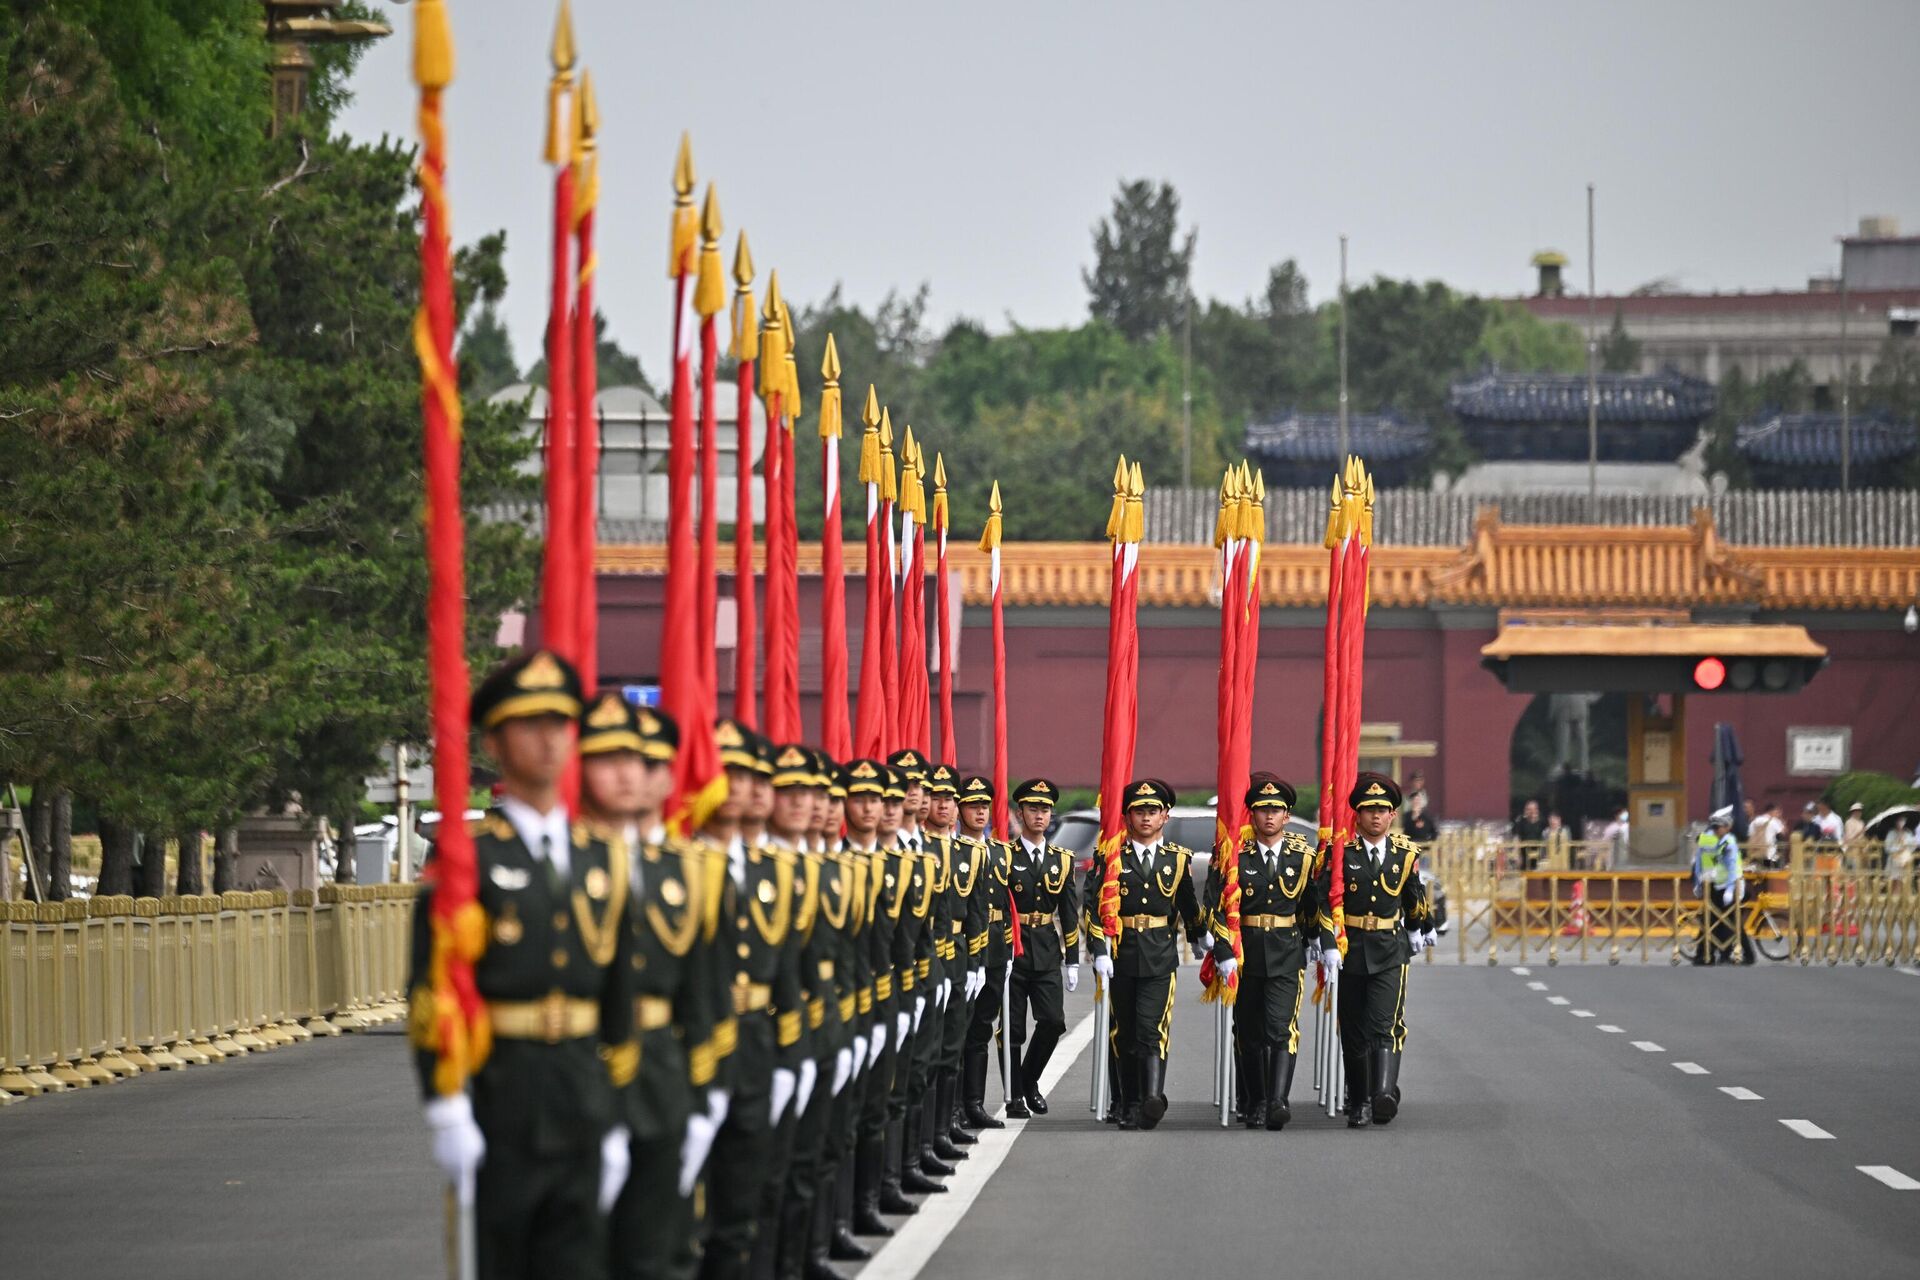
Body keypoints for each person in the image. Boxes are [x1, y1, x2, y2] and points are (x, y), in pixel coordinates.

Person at [407, 650, 636, 1280]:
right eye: (529, 723)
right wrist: (445, 1103)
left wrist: (618, 1112)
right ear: (494, 741)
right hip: (501, 1105)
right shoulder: (466, 867)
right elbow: (431, 992)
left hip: (583, 1105)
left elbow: (620, 1004)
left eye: (560, 723)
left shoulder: (603, 860)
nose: (548, 738)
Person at [576, 695, 727, 1280]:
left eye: (644, 761)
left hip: (662, 1067)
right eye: (611, 758)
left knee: (657, 1247)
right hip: (576, 1067)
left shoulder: (685, 870)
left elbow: (701, 988)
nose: (630, 775)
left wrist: (704, 1087)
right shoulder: (563, 863)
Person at [699, 721, 810, 1280]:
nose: (745, 789)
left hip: (759, 1043)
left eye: (755, 778)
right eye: (730, 775)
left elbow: (789, 968)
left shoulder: (775, 872)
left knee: (749, 1196)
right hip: (692, 1053)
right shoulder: (682, 865)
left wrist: (792, 1051)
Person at [1204, 773, 1328, 1131]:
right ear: (1252, 815)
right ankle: (1256, 1101)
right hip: (1245, 952)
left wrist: (1320, 941)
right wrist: (1223, 948)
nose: (1269, 816)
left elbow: (1310, 907)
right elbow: (1215, 906)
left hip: (1287, 952)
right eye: (1262, 810)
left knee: (1281, 1028)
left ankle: (1277, 1100)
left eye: (1276, 810)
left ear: (1287, 816)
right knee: (1249, 1031)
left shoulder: (1303, 858)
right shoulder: (1232, 856)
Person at [1086, 779, 1206, 1132]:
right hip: (1120, 953)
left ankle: (1151, 1099)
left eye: (1152, 811)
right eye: (1139, 812)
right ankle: (1127, 1102)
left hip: (1158, 954)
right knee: (1124, 1032)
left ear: (1165, 816)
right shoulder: (1109, 858)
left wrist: (1201, 937)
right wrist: (1098, 949)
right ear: (1126, 816)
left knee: (1150, 1030)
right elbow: (1093, 906)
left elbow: (1187, 904)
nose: (1146, 818)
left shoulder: (1178, 859)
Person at [1323, 771, 1435, 1130]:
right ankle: (1359, 1101)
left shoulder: (1405, 854)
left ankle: (1383, 1094)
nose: (1375, 815)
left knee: (1384, 1024)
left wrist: (1420, 926)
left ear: (1392, 815)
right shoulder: (1340, 855)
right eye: (1368, 809)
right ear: (1357, 814)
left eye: (1382, 809)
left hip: (1389, 949)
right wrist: (1326, 943)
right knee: (1354, 1031)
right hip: (1350, 949)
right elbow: (1324, 901)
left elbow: (1413, 895)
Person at [997, 778, 1080, 1119]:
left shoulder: (1062, 859)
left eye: (1045, 809)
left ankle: (1029, 1080)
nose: (1039, 815)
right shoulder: (1004, 855)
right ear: (1021, 812)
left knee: (1052, 1021)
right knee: (1013, 1028)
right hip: (1012, 952)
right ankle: (1015, 1095)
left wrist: (1073, 959)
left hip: (1046, 948)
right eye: (1033, 809)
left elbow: (1069, 913)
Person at [921, 764, 984, 1159]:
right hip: (927, 954)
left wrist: (977, 962)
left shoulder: (969, 853)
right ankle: (925, 1139)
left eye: (950, 799)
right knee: (925, 1050)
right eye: (938, 798)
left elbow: (976, 911)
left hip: (958, 957)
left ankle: (945, 1128)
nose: (944, 805)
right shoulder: (916, 850)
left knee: (952, 1047)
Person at [957, 774, 1013, 1129]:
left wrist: (1007, 949)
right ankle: (951, 1108)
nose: (980, 812)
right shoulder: (956, 850)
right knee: (956, 1029)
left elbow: (1007, 905)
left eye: (984, 806)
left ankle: (974, 1103)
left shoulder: (1000, 852)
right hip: (961, 945)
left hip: (993, 947)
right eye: (973, 805)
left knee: (980, 1028)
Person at [1692, 808, 1747, 966]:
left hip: (1722, 884)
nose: (1721, 828)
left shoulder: (1723, 839)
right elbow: (1703, 863)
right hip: (1718, 884)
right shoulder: (1716, 839)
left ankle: (1711, 954)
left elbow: (1727, 864)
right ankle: (1713, 954)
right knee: (1719, 922)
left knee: (1722, 922)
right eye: (1720, 825)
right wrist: (1700, 882)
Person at [1511, 799, 1546, 870]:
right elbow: (1517, 838)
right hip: (1524, 854)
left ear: (1537, 810)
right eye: (1529, 809)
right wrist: (1516, 854)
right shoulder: (1521, 822)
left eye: (1534, 809)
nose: (1532, 811)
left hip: (1539, 853)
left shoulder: (1543, 822)